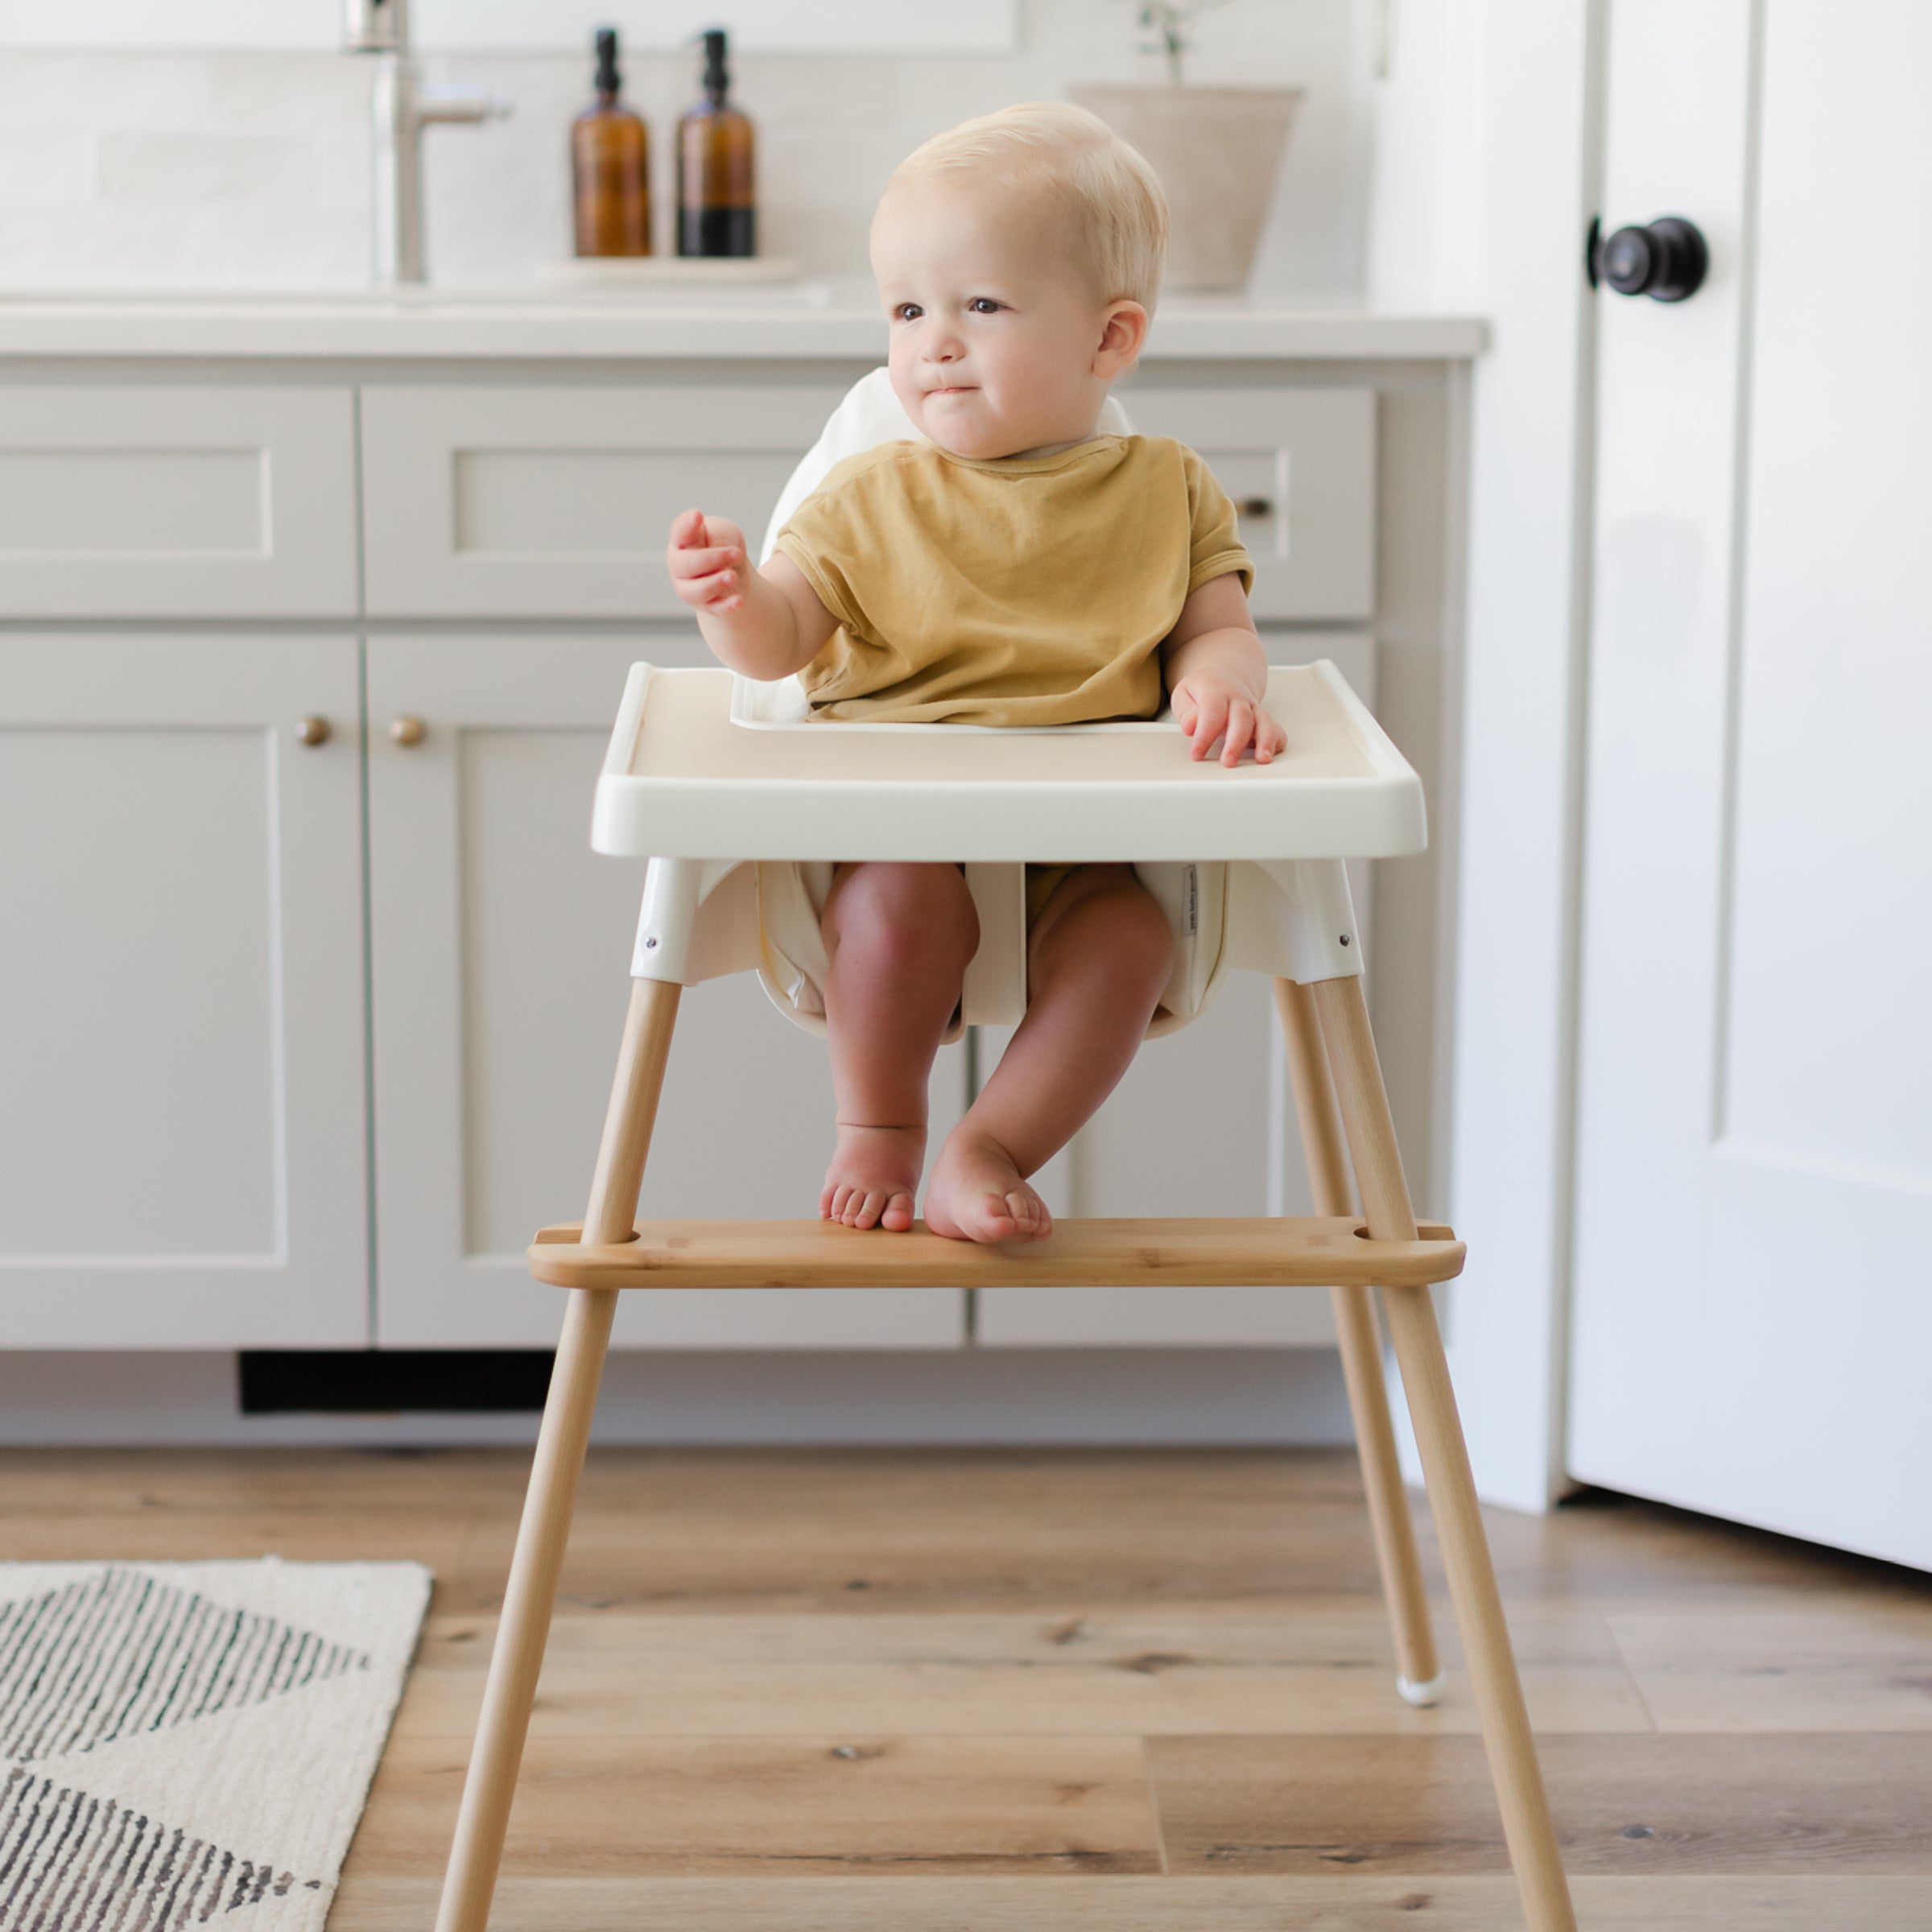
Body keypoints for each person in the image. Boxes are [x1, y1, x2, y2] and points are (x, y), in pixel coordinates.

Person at [663, 101, 1282, 1245]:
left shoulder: (1167, 490)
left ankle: (991, 1143)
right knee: (897, 911)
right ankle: (881, 1124)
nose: (932, 343)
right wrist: (734, 600)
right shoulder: (869, 497)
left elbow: (1218, 626)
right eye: (908, 310)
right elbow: (783, 641)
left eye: (981, 307)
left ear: (1110, 339)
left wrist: (1221, 680)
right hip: (901, 834)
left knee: (1131, 944)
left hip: (1084, 843)